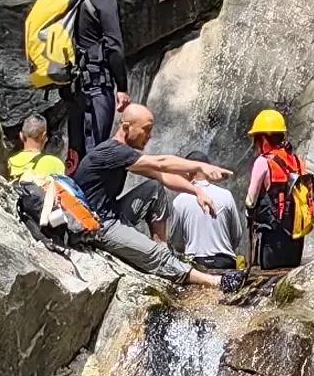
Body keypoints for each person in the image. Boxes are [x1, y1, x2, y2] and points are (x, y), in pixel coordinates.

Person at [74, 97, 237, 277]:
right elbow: (161, 163)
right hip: (98, 225)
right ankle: (213, 281)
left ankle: (162, 246)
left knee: (154, 188)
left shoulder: (122, 154)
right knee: (155, 256)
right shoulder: (112, 151)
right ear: (127, 127)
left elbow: (162, 176)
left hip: (112, 214)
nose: (150, 136)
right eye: (146, 130)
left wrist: (197, 190)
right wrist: (200, 166)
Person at [59, 0, 142, 158]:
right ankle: (90, 193)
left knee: (75, 153)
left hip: (74, 88)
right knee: (95, 152)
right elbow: (114, 46)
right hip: (96, 87)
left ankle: (72, 191)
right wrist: (121, 88)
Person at [242, 108, 314, 273]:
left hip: (273, 237)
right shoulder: (297, 161)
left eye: (256, 138)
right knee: (289, 277)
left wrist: (249, 215)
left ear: (263, 138)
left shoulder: (263, 162)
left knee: (269, 282)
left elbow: (251, 200)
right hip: (296, 236)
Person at [6, 111, 68, 229]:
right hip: (47, 223)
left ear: (21, 135)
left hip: (17, 217)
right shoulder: (56, 163)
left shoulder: (9, 162)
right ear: (44, 137)